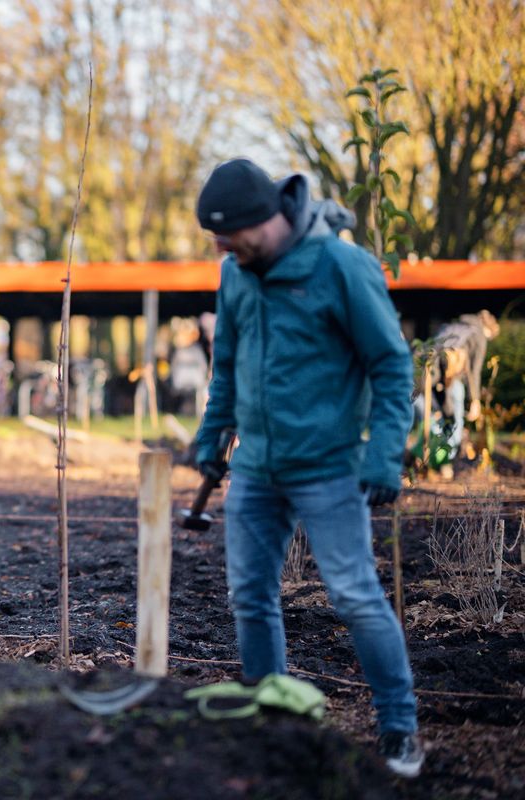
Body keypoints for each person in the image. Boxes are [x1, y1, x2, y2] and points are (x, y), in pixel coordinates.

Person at [193, 159, 422, 778]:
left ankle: (400, 727)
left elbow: (391, 366)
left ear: (260, 220)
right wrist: (213, 435)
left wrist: (382, 456)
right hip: (258, 467)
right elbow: (229, 367)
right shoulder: (235, 274)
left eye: (225, 236)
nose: (219, 248)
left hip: (328, 467)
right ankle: (275, 719)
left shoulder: (341, 267)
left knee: (354, 595)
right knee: (250, 596)